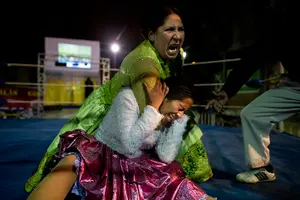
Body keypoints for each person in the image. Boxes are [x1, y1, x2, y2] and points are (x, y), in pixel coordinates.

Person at [25, 6, 212, 193]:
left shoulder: (176, 57)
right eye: (170, 29)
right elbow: (143, 127)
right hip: (115, 113)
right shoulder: (144, 66)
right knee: (82, 156)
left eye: (181, 29)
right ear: (152, 35)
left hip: (148, 114)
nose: (178, 35)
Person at [27, 79, 216, 200]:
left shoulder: (167, 117)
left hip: (132, 162)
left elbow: (166, 156)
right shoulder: (128, 98)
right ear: (166, 95)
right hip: (102, 154)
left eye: (184, 112)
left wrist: (177, 124)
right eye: (180, 107)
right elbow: (129, 144)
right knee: (74, 162)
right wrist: (153, 109)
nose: (180, 114)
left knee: (173, 175)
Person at [205, 2, 299, 183]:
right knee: (253, 113)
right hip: (296, 84)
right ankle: (262, 168)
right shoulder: (275, 17)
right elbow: (254, 56)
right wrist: (227, 91)